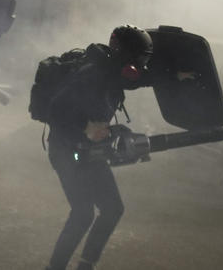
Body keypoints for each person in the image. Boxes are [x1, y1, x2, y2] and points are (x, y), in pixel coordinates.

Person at [44, 25, 154, 270]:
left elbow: (143, 79)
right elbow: (56, 109)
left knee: (112, 209)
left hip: (89, 150)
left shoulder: (115, 73)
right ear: (125, 55)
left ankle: (86, 265)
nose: (140, 67)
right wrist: (86, 128)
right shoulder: (92, 74)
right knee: (83, 213)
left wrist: (176, 76)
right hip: (65, 149)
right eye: (139, 59)